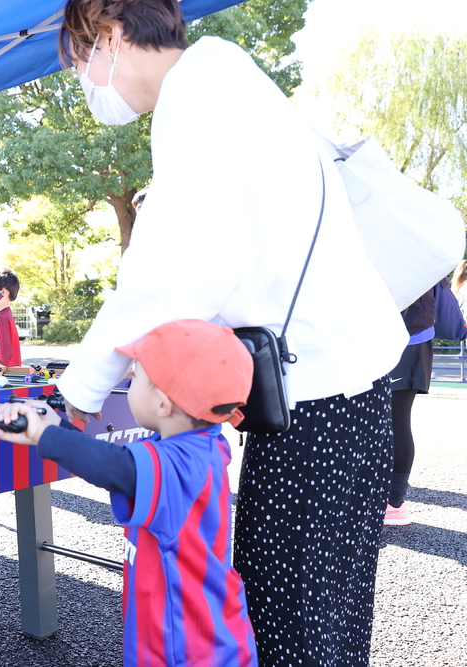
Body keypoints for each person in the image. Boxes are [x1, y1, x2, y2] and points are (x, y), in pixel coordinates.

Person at [54, 2, 407, 665]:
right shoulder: (224, 72)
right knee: (331, 613)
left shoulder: (197, 93)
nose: (87, 85)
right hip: (349, 388)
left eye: (82, 63)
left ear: (111, 36)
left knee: (286, 621)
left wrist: (78, 390)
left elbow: (174, 268)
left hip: (313, 404)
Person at [0, 320, 258, 667]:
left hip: (189, 645)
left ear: (162, 404)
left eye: (135, 378)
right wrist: (57, 426)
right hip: (177, 629)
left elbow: (115, 467)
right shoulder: (197, 444)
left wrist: (45, 435)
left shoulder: (182, 463)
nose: (129, 385)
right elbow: (118, 461)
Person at [385, 281, 442, 526]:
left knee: (395, 422)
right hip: (401, 338)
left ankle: (394, 503)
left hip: (408, 339)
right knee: (384, 422)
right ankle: (387, 498)